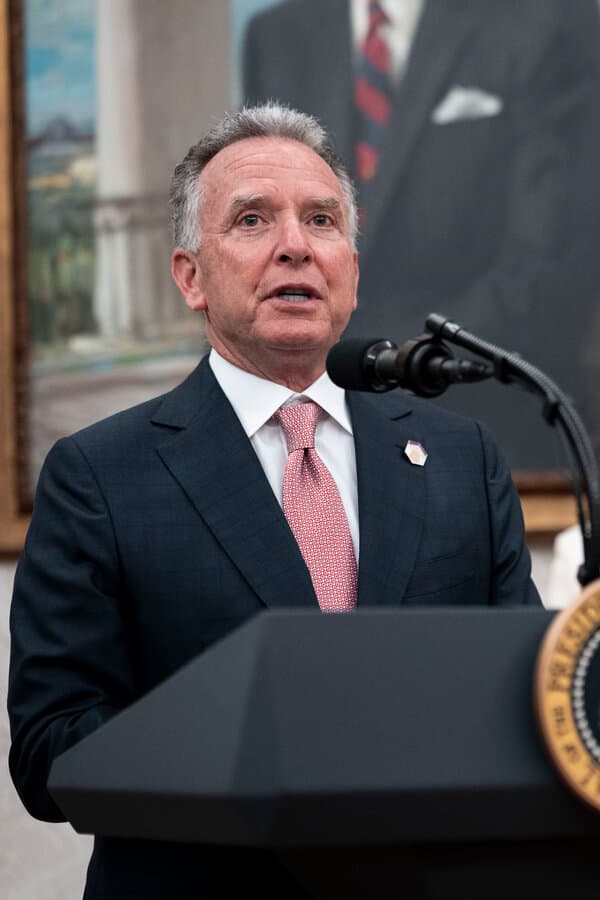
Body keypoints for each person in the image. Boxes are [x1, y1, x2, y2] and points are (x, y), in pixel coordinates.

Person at [8, 102, 540, 900]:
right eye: (253, 220)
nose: (296, 244)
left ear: (351, 267)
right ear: (191, 276)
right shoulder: (100, 476)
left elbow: (524, 702)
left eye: (321, 220)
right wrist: (261, 738)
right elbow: (49, 751)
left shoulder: (461, 461)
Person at [242, 0, 600, 471]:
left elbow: (550, 261)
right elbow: (263, 238)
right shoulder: (275, 36)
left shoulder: (549, 23)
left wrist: (384, 365)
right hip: (314, 440)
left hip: (494, 436)